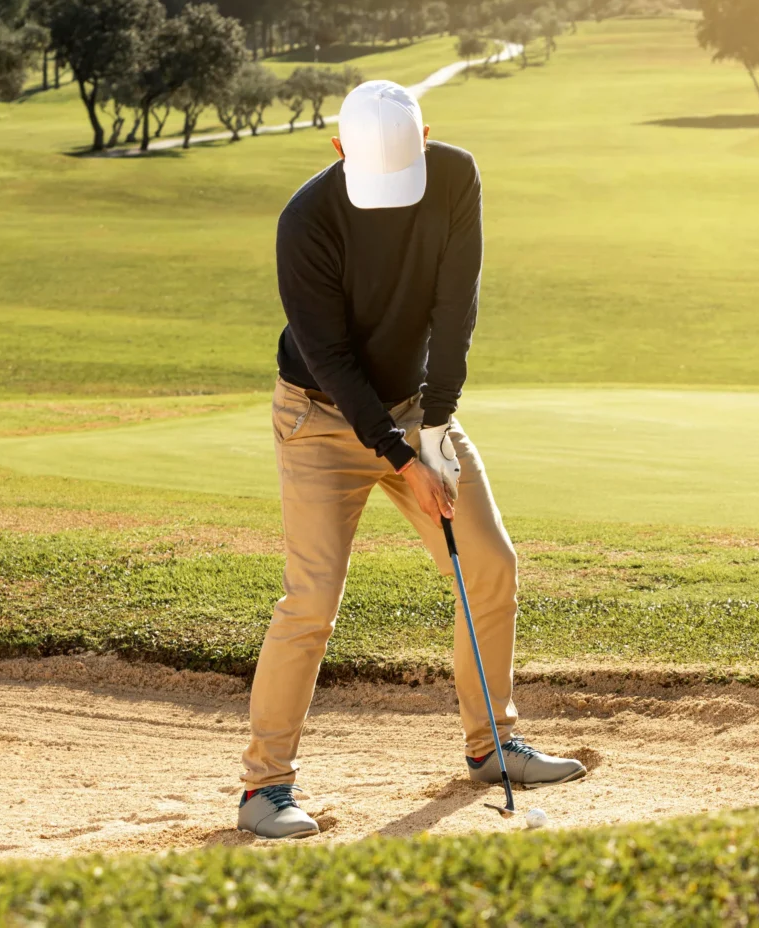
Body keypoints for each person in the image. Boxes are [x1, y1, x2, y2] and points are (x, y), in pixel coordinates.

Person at [237, 80, 586, 839]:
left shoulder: (455, 177)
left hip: (413, 414)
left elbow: (454, 309)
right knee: (311, 600)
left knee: (490, 560)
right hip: (321, 418)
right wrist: (402, 456)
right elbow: (328, 357)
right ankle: (264, 787)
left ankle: (493, 744)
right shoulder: (306, 221)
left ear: (429, 135)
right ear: (338, 152)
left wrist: (435, 429)